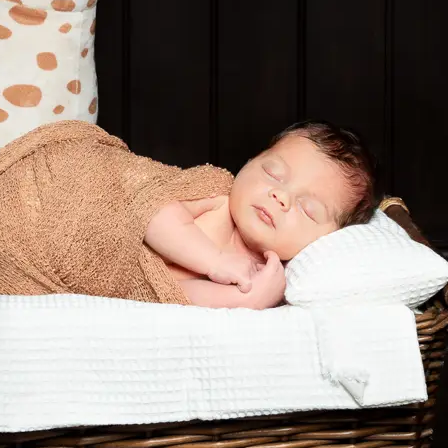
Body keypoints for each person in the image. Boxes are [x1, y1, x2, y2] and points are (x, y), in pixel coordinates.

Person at [145, 120, 377, 310]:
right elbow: (149, 210)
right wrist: (214, 261)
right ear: (249, 162)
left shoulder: (267, 278)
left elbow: (167, 295)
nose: (281, 196)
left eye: (308, 209)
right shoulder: (216, 195)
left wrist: (247, 299)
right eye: (273, 173)